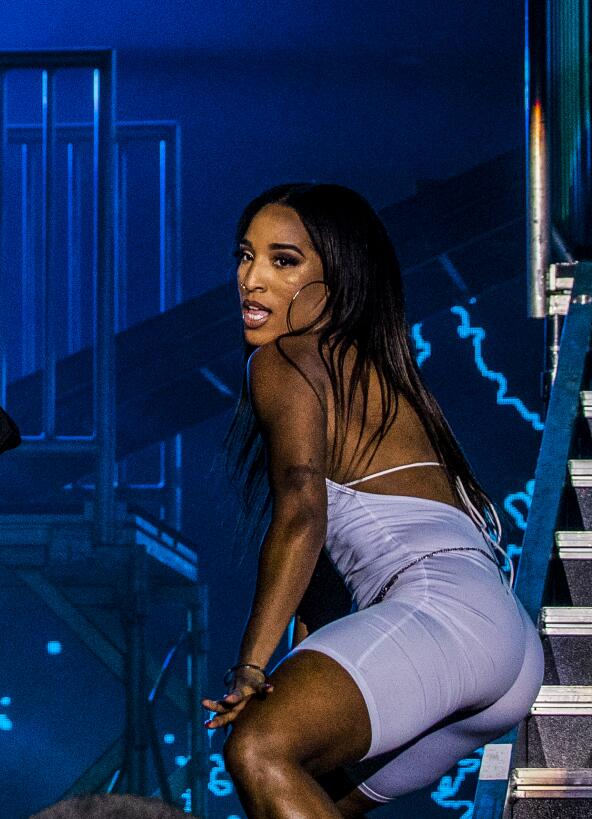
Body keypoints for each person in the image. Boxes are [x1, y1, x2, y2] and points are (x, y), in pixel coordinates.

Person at [203, 184, 541, 817]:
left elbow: (303, 511)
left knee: (259, 750)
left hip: (444, 614)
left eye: (284, 261)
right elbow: (327, 583)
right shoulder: (370, 370)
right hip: (505, 647)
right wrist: (298, 663)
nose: (251, 280)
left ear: (337, 277)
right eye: (245, 256)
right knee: (307, 795)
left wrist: (250, 667)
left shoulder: (288, 360)